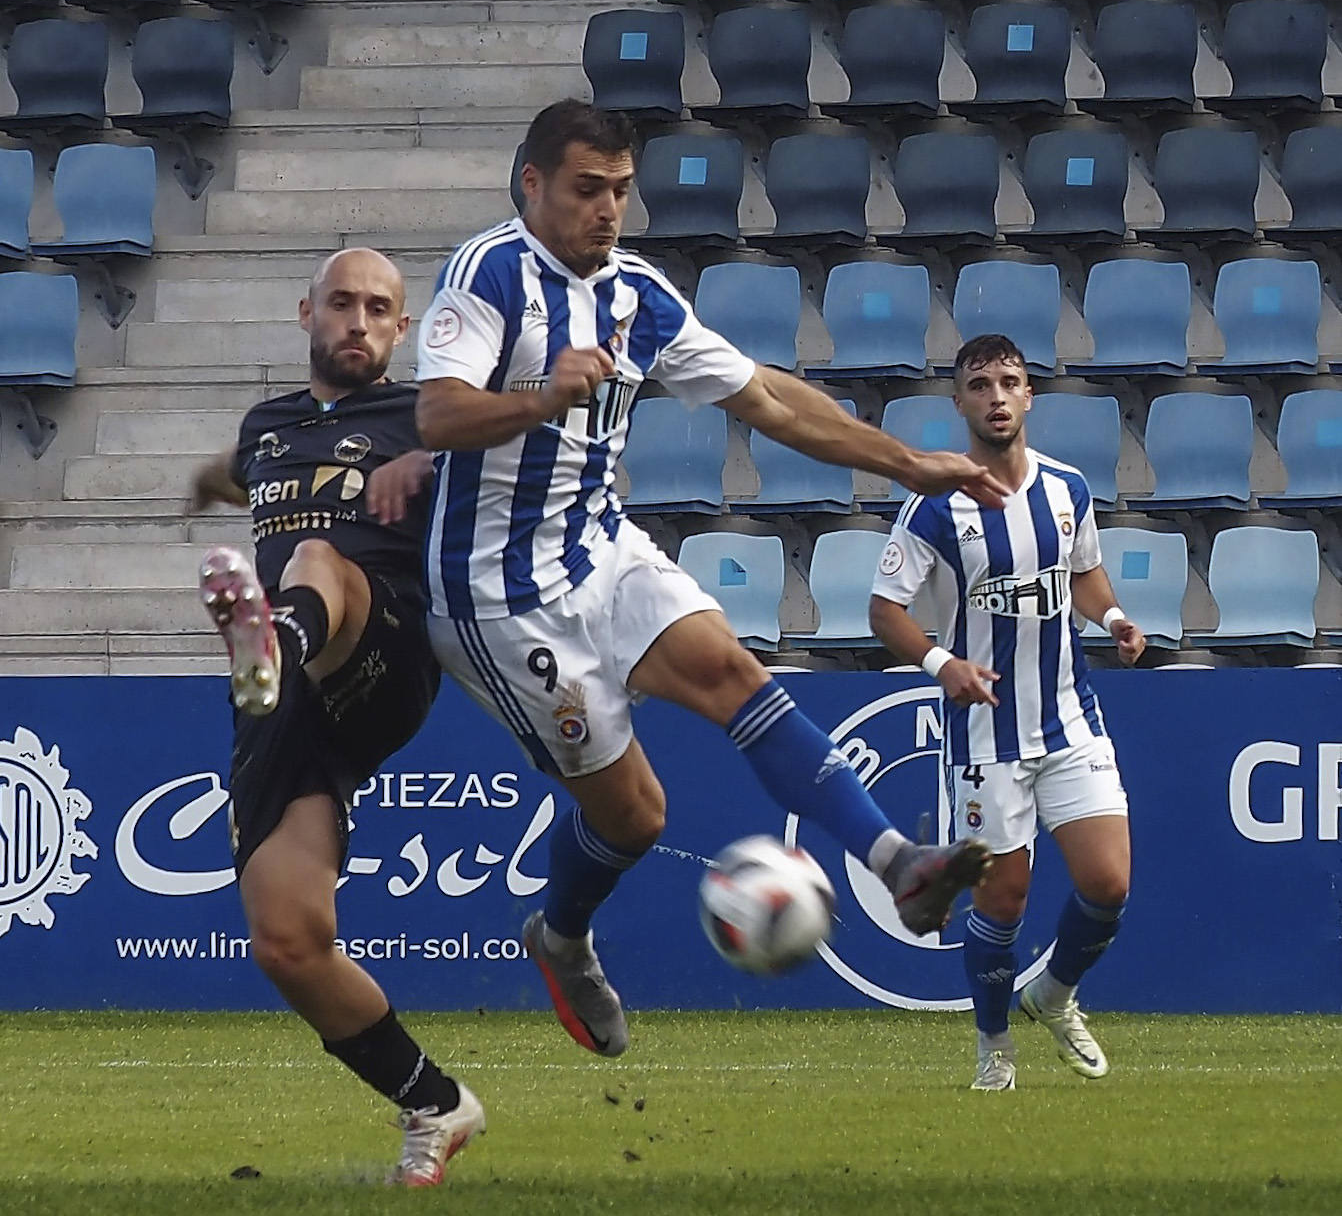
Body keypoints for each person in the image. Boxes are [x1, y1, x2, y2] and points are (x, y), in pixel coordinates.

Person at [403, 99, 1007, 1060]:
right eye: (586, 190)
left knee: (733, 670)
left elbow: (765, 396)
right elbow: (436, 416)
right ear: (532, 186)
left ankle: (900, 863)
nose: (607, 211)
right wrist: (544, 394)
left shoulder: (638, 294)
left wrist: (906, 461)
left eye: (621, 192)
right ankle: (561, 937)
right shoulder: (491, 275)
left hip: (599, 548)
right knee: (637, 816)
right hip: (498, 598)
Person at [189, 247, 484, 1184]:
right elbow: (255, 470)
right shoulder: (266, 427)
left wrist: (435, 455)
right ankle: (436, 1102)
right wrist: (212, 479)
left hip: (381, 650)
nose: (360, 321)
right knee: (286, 939)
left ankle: (273, 639)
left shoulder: (419, 415)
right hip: (286, 701)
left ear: (403, 330)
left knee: (318, 554)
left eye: (381, 309)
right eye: (344, 304)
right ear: (306, 310)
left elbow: (500, 451)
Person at [868, 333, 1145, 1091]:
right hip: (985, 735)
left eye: (1010, 381)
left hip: (1069, 719)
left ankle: (1052, 993)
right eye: (980, 383)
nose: (996, 395)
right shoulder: (934, 506)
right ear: (959, 401)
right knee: (1004, 899)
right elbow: (884, 609)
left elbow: (1082, 573)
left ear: (1030, 397)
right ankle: (995, 1047)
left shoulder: (1068, 489)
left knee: (1109, 883)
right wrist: (941, 663)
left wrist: (1114, 617)